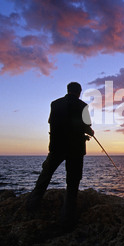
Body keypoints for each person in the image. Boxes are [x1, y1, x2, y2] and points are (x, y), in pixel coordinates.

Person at [26, 82, 94, 230]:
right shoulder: (83, 106)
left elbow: (51, 121)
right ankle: (67, 220)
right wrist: (90, 132)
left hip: (56, 147)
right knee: (72, 183)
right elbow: (87, 125)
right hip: (75, 150)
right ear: (79, 92)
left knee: (45, 176)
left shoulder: (54, 104)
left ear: (68, 90)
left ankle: (31, 205)